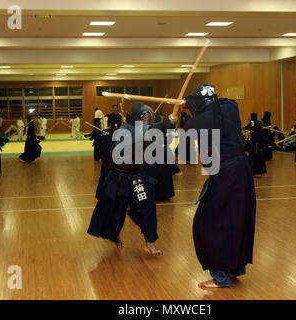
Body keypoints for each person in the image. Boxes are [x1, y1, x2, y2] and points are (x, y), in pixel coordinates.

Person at [179, 85, 256, 289]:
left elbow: (183, 152)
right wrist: (192, 102)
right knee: (236, 218)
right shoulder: (231, 109)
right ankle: (234, 270)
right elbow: (224, 102)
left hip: (225, 173)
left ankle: (220, 277)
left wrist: (181, 111)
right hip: (243, 171)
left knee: (208, 223)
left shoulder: (197, 122)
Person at [87, 102, 176, 255]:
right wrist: (167, 123)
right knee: (114, 209)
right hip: (117, 177)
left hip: (136, 177)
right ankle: (114, 235)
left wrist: (171, 122)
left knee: (148, 206)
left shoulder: (144, 129)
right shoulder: (125, 129)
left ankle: (149, 242)